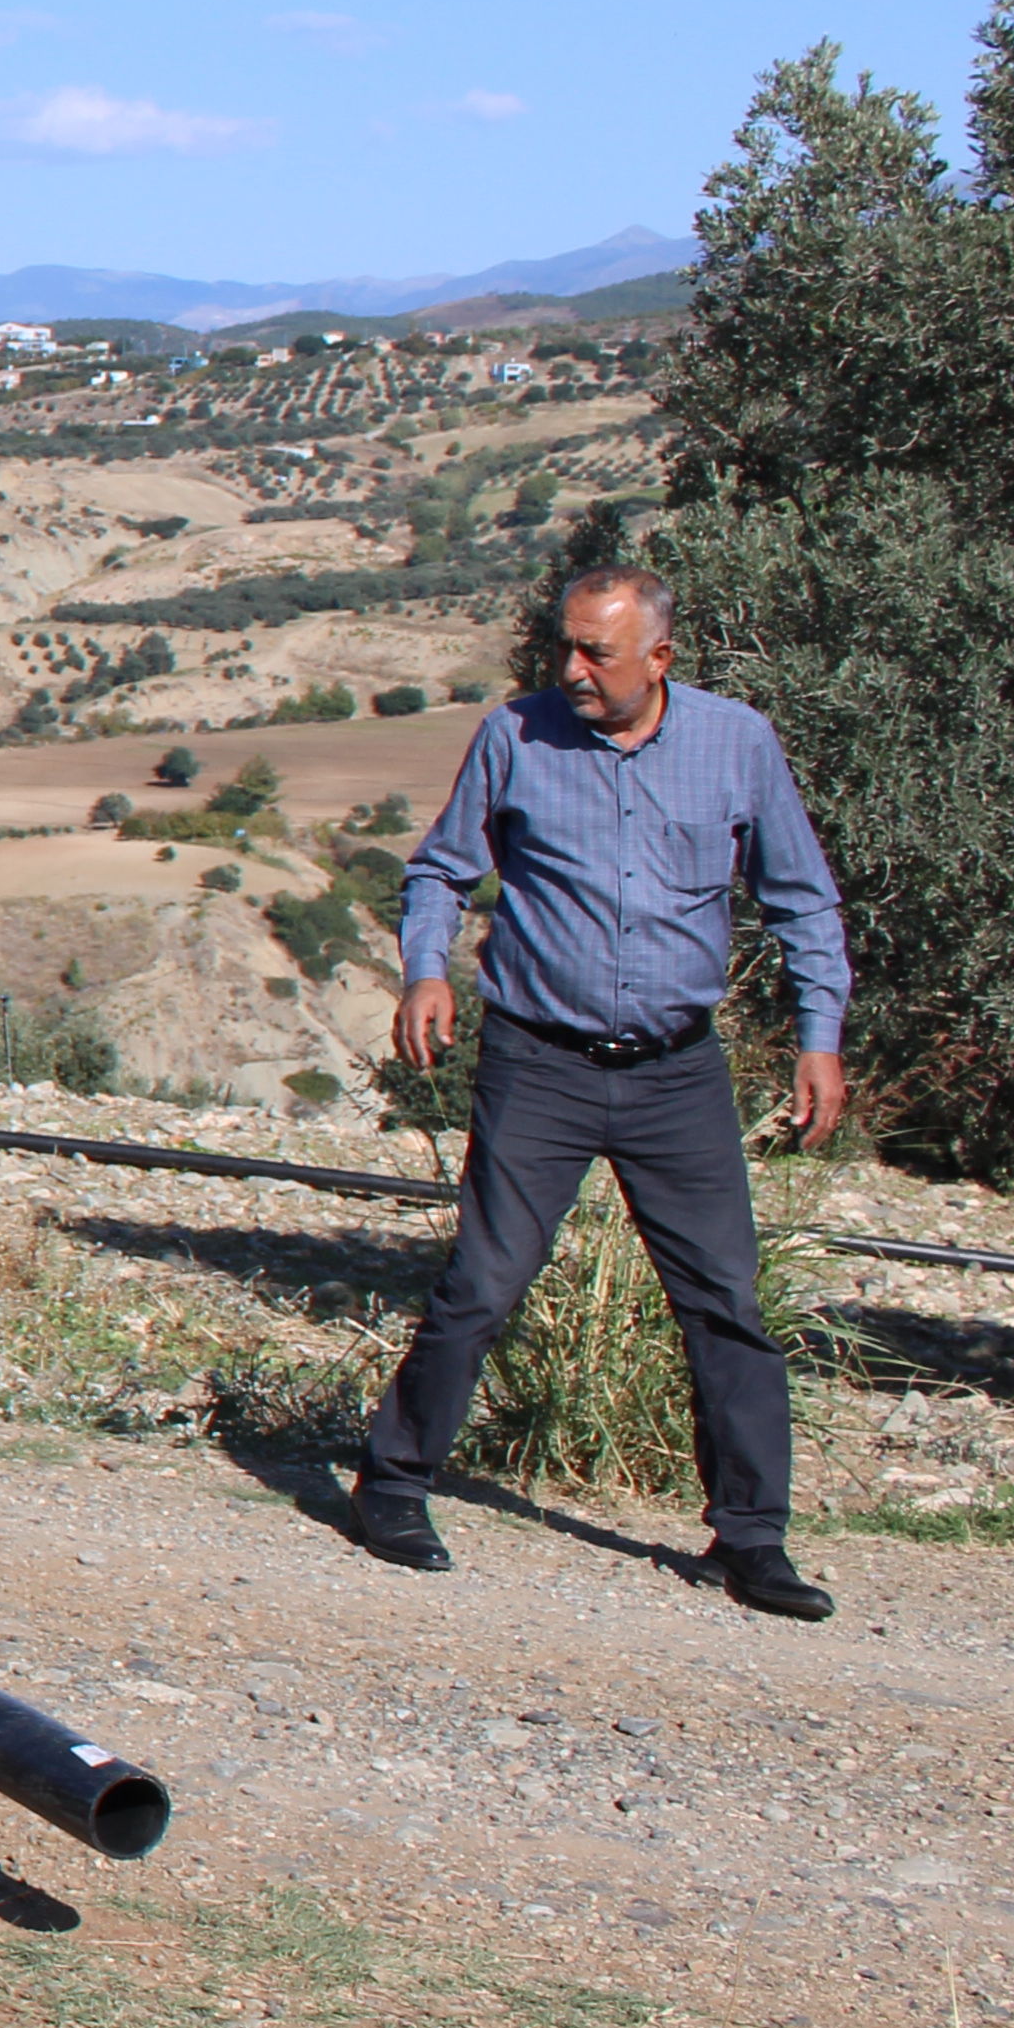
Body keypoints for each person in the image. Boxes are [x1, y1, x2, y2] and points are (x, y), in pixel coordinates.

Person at [351, 564, 849, 1615]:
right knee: (482, 1286)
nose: (572, 670)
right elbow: (440, 869)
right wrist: (428, 967)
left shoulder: (737, 743)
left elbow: (803, 902)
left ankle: (752, 1540)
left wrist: (820, 1039)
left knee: (727, 1304)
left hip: (678, 1072)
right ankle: (393, 1484)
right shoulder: (516, 736)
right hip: (540, 1063)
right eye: (565, 649)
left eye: (597, 653)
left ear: (659, 657)